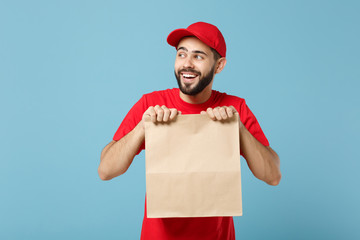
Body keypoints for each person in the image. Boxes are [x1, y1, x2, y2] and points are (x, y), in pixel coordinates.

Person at [98, 22, 281, 240]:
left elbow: (272, 176)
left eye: (198, 56)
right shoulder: (151, 104)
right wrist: (142, 128)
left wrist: (238, 127)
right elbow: (105, 171)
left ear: (219, 65)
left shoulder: (235, 107)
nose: (187, 64)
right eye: (181, 54)